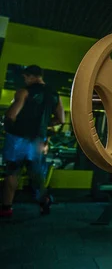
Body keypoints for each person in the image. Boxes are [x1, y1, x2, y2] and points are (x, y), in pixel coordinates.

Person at [1, 65, 64, 217]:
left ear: (30, 76)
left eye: (25, 77)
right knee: (35, 174)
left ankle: (7, 208)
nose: (24, 80)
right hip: (37, 139)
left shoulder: (24, 91)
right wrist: (44, 125)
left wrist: (7, 125)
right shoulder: (55, 95)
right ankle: (44, 201)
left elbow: (11, 115)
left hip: (18, 138)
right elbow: (60, 119)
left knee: (12, 172)